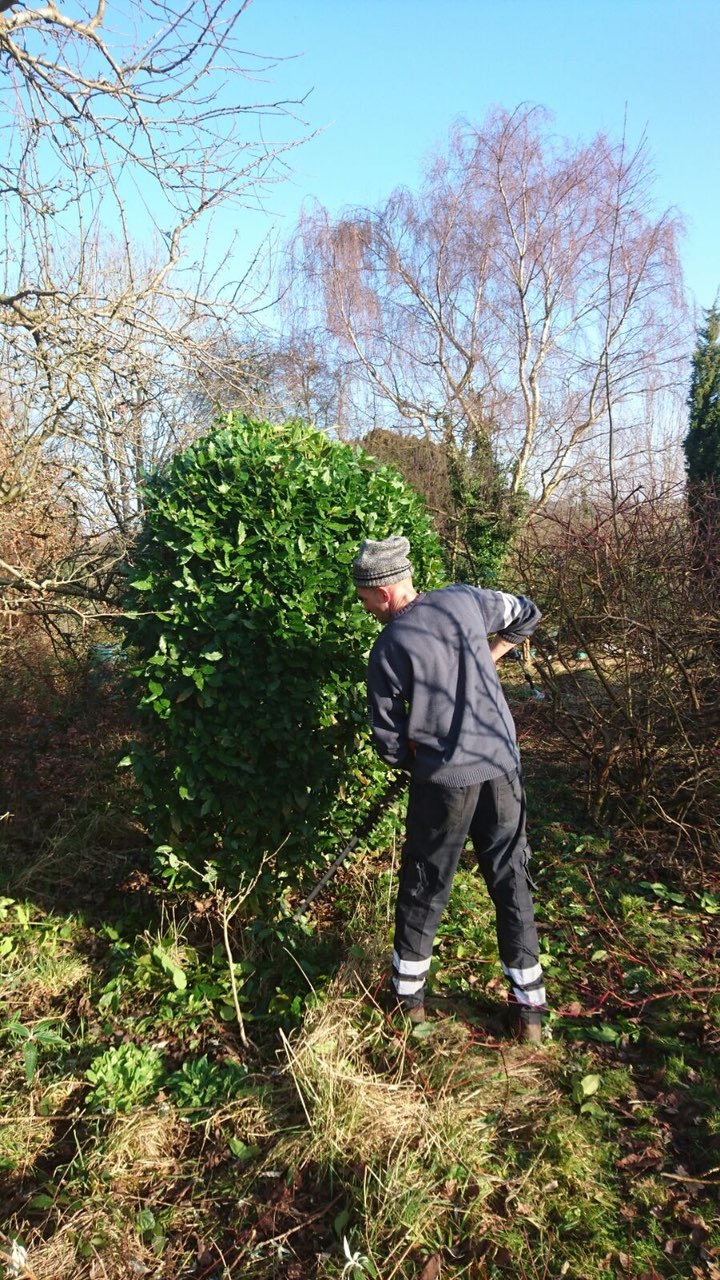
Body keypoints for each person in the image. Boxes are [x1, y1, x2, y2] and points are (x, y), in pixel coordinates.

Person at [352, 534, 546, 1044]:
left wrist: (408, 758)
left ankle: (408, 1003)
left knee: (425, 883)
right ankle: (530, 1014)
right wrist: (489, 656)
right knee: (511, 881)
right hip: (501, 767)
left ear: (384, 592)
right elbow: (526, 612)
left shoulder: (390, 646)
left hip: (444, 784)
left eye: (363, 595)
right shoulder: (465, 599)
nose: (362, 604)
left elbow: (388, 738)